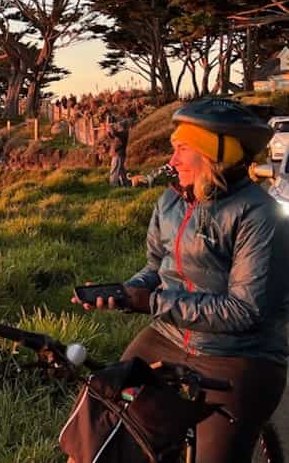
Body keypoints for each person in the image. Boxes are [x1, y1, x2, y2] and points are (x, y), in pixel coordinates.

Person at [73, 98, 289, 462]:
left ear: (214, 156)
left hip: (238, 355)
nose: (171, 161)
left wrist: (152, 303)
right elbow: (156, 268)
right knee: (98, 420)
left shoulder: (260, 216)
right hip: (168, 336)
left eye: (182, 150)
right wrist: (128, 292)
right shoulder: (171, 203)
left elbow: (244, 311)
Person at [106, 118, 130, 186]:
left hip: (118, 154)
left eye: (119, 125)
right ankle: (126, 184)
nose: (118, 126)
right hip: (118, 154)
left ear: (123, 126)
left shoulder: (124, 133)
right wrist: (108, 131)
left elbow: (115, 133)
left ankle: (113, 185)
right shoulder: (121, 133)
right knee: (121, 171)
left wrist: (110, 127)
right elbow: (112, 137)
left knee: (114, 170)